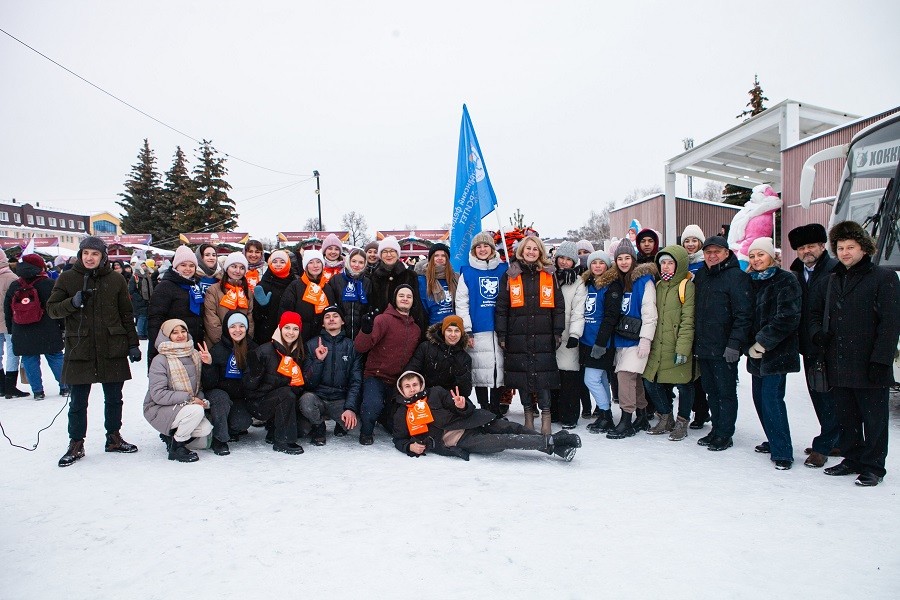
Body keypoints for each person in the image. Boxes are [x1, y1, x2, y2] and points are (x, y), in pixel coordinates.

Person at [810, 221, 900, 486]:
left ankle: (873, 466)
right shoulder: (831, 280)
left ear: (864, 248)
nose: (845, 252)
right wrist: (817, 334)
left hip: (869, 362)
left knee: (874, 419)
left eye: (851, 247)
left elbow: (890, 324)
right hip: (838, 361)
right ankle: (852, 458)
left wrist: (881, 360)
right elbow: (813, 313)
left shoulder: (883, 278)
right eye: (840, 248)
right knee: (846, 416)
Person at [47, 236, 142, 467]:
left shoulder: (116, 279)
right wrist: (72, 302)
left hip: (112, 345)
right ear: (80, 254)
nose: (89, 258)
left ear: (103, 257)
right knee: (78, 401)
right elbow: (52, 309)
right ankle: (76, 443)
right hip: (81, 347)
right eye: (86, 253)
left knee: (114, 398)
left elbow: (126, 314)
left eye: (95, 254)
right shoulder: (67, 277)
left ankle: (114, 438)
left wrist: (133, 344)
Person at [390, 371, 581, 461]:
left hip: (471, 421)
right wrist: (409, 446)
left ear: (421, 385)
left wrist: (462, 405)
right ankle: (554, 442)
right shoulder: (401, 413)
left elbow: (467, 409)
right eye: (407, 386)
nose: (412, 389)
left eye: (415, 385)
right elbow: (398, 439)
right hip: (458, 439)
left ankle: (554, 446)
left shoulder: (435, 393)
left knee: (511, 427)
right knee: (502, 441)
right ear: (401, 390)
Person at [495, 235, 565, 435]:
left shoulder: (549, 274)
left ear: (540, 252)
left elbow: (559, 307)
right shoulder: (511, 274)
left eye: (535, 249)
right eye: (528, 248)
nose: (531, 252)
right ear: (521, 251)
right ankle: (528, 415)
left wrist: (557, 331)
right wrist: (502, 334)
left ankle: (546, 416)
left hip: (543, 333)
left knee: (543, 378)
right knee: (523, 377)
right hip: (518, 334)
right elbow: (502, 307)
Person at [744, 237, 801, 470]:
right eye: (752, 256)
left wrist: (762, 343)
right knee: (759, 399)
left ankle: (783, 451)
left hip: (777, 353)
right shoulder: (750, 281)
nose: (756, 259)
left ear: (771, 256)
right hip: (755, 354)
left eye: (761, 254)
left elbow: (788, 317)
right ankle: (773, 438)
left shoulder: (786, 279)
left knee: (772, 399)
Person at [692, 235, 753, 452]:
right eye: (708, 252)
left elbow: (743, 315)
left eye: (717, 252)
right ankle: (716, 429)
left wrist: (734, 343)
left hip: (725, 347)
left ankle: (725, 433)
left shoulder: (736, 277)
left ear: (726, 253)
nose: (712, 256)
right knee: (711, 390)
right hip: (704, 346)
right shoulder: (702, 275)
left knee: (725, 392)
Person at [787, 224, 840, 468]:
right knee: (818, 394)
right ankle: (835, 438)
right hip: (808, 344)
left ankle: (824, 445)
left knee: (829, 396)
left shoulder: (834, 270)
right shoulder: (797, 272)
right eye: (801, 248)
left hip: (830, 343)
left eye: (811, 246)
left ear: (822, 246)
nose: (806, 251)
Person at [353, 285, 422, 445]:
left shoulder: (416, 329)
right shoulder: (383, 320)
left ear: (413, 301)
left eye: (409, 296)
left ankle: (385, 420)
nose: (405, 299)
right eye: (401, 295)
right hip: (376, 376)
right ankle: (366, 432)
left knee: (398, 422)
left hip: (398, 381)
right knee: (372, 405)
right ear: (395, 299)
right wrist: (365, 331)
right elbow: (361, 347)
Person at [641, 245, 696, 441]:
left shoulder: (686, 286)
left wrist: (683, 348)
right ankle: (666, 417)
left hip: (677, 345)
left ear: (679, 264)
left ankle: (682, 421)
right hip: (658, 345)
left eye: (670, 263)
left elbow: (688, 320)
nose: (665, 266)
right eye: (662, 262)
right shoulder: (657, 285)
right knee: (650, 381)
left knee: (683, 384)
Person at [605, 239, 658, 439]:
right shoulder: (618, 280)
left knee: (625, 377)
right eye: (620, 258)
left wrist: (646, 339)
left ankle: (626, 419)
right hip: (622, 338)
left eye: (627, 258)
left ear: (633, 259)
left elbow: (650, 312)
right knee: (633, 380)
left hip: (637, 339)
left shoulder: (644, 281)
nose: (624, 262)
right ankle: (642, 415)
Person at [143, 319, 214, 463]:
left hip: (183, 406)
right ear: (167, 336)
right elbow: (158, 394)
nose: (180, 335)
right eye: (175, 333)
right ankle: (177, 447)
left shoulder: (194, 354)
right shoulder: (160, 360)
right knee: (196, 412)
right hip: (158, 408)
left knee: (205, 429)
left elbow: (198, 388)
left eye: (183, 331)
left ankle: (170, 436)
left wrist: (208, 365)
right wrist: (190, 399)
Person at [455, 232, 508, 415]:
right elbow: (462, 303)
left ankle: (496, 409)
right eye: (479, 247)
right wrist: (467, 330)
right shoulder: (467, 273)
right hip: (477, 330)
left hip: (500, 329)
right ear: (474, 250)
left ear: (492, 249)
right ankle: (484, 409)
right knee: (480, 372)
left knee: (498, 371)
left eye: (486, 246)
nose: (482, 249)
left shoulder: (504, 270)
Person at [4, 254, 67, 400]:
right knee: (55, 356)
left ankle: (38, 391)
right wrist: (62, 326)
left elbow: (8, 309)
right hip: (48, 328)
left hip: (22, 328)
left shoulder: (15, 285)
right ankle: (65, 386)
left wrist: (11, 329)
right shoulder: (49, 284)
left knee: (29, 358)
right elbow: (58, 308)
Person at [243, 311, 307, 455]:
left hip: (278, 401)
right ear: (280, 328)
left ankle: (273, 431)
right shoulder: (264, 351)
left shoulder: (298, 353)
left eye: (295, 329)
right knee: (286, 394)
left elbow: (299, 384)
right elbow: (248, 386)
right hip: (257, 403)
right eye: (287, 327)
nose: (291, 332)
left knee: (303, 427)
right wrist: (255, 374)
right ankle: (282, 441)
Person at [300, 305, 362, 445]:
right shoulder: (312, 344)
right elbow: (308, 382)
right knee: (306, 401)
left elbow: (356, 381)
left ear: (342, 321)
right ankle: (318, 425)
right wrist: (318, 361)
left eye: (335, 316)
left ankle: (340, 424)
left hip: (340, 400)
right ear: (323, 323)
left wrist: (350, 408)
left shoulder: (352, 346)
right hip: (318, 398)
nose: (331, 319)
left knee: (357, 428)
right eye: (327, 317)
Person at [201, 310, 257, 456]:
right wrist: (208, 365)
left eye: (241, 326)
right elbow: (209, 384)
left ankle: (227, 427)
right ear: (227, 328)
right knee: (221, 398)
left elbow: (255, 380)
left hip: (239, 397)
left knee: (242, 422)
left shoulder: (253, 349)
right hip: (218, 394)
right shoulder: (217, 350)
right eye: (233, 326)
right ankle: (219, 440)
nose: (237, 330)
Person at [582, 250, 623, 434]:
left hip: (602, 342)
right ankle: (605, 414)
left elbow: (610, 317)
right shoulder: (588, 283)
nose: (597, 266)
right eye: (594, 263)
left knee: (591, 379)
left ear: (607, 265)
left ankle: (606, 414)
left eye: (601, 263)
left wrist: (601, 342)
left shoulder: (611, 286)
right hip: (587, 340)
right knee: (601, 378)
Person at [147, 246, 204, 367]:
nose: (188, 269)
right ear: (175, 266)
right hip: (172, 346)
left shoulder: (194, 285)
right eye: (183, 265)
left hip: (191, 344)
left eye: (191, 265)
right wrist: (156, 348)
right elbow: (155, 319)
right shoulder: (165, 286)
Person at [550, 241, 586, 429]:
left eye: (568, 259)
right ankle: (554, 412)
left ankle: (570, 415)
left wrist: (574, 334)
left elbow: (579, 311)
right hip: (550, 335)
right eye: (561, 258)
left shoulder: (578, 282)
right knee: (553, 376)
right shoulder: (550, 277)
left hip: (568, 335)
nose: (564, 262)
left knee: (569, 377)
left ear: (574, 262)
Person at [680, 224, 709, 429]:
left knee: (699, 373)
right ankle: (697, 409)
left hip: (702, 321)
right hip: (684, 321)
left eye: (694, 240)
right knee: (688, 371)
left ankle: (701, 411)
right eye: (687, 241)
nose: (690, 244)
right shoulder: (681, 264)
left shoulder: (705, 264)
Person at [405, 314, 472, 399]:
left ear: (461, 333)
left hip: (448, 399)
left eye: (457, 331)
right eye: (449, 330)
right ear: (443, 331)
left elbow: (465, 391)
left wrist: (460, 372)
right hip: (423, 396)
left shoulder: (465, 358)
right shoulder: (426, 347)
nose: (453, 334)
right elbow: (411, 371)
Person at [368, 236, 425, 331]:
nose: (388, 254)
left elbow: (416, 305)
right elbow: (372, 304)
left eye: (392, 251)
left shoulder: (410, 276)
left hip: (404, 328)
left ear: (398, 254)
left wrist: (418, 328)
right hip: (381, 327)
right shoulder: (374, 277)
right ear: (380, 255)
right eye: (385, 251)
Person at [279, 249, 335, 343]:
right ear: (305, 266)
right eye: (311, 262)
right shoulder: (295, 286)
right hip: (299, 338)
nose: (315, 266)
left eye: (318, 262)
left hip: (322, 338)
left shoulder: (327, 288)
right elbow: (285, 311)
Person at [203, 252, 255, 346]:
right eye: (234, 266)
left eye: (242, 268)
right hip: (218, 345)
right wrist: (225, 343)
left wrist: (244, 341)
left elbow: (249, 319)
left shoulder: (247, 292)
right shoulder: (214, 290)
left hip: (242, 344)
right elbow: (211, 320)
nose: (238, 271)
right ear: (227, 268)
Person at [252, 250, 296, 344]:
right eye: (275, 262)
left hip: (290, 333)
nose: (278, 264)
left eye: (282, 262)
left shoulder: (295, 284)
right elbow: (256, 316)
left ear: (288, 264)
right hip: (266, 335)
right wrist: (262, 306)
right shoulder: (263, 285)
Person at [0, 253, 27, 398]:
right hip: (10, 321)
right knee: (12, 353)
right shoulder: (12, 278)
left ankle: (1, 387)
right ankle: (10, 387)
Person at [417, 243, 458, 326]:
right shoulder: (422, 280)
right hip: (433, 327)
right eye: (436, 255)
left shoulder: (456, 278)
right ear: (431, 258)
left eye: (443, 256)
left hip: (454, 327)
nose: (440, 258)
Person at [129, 260, 154, 340]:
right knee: (142, 317)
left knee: (146, 317)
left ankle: (145, 333)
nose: (144, 267)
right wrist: (140, 298)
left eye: (145, 265)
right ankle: (140, 333)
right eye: (142, 266)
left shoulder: (147, 276)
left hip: (147, 300)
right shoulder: (135, 277)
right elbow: (131, 290)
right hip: (139, 301)